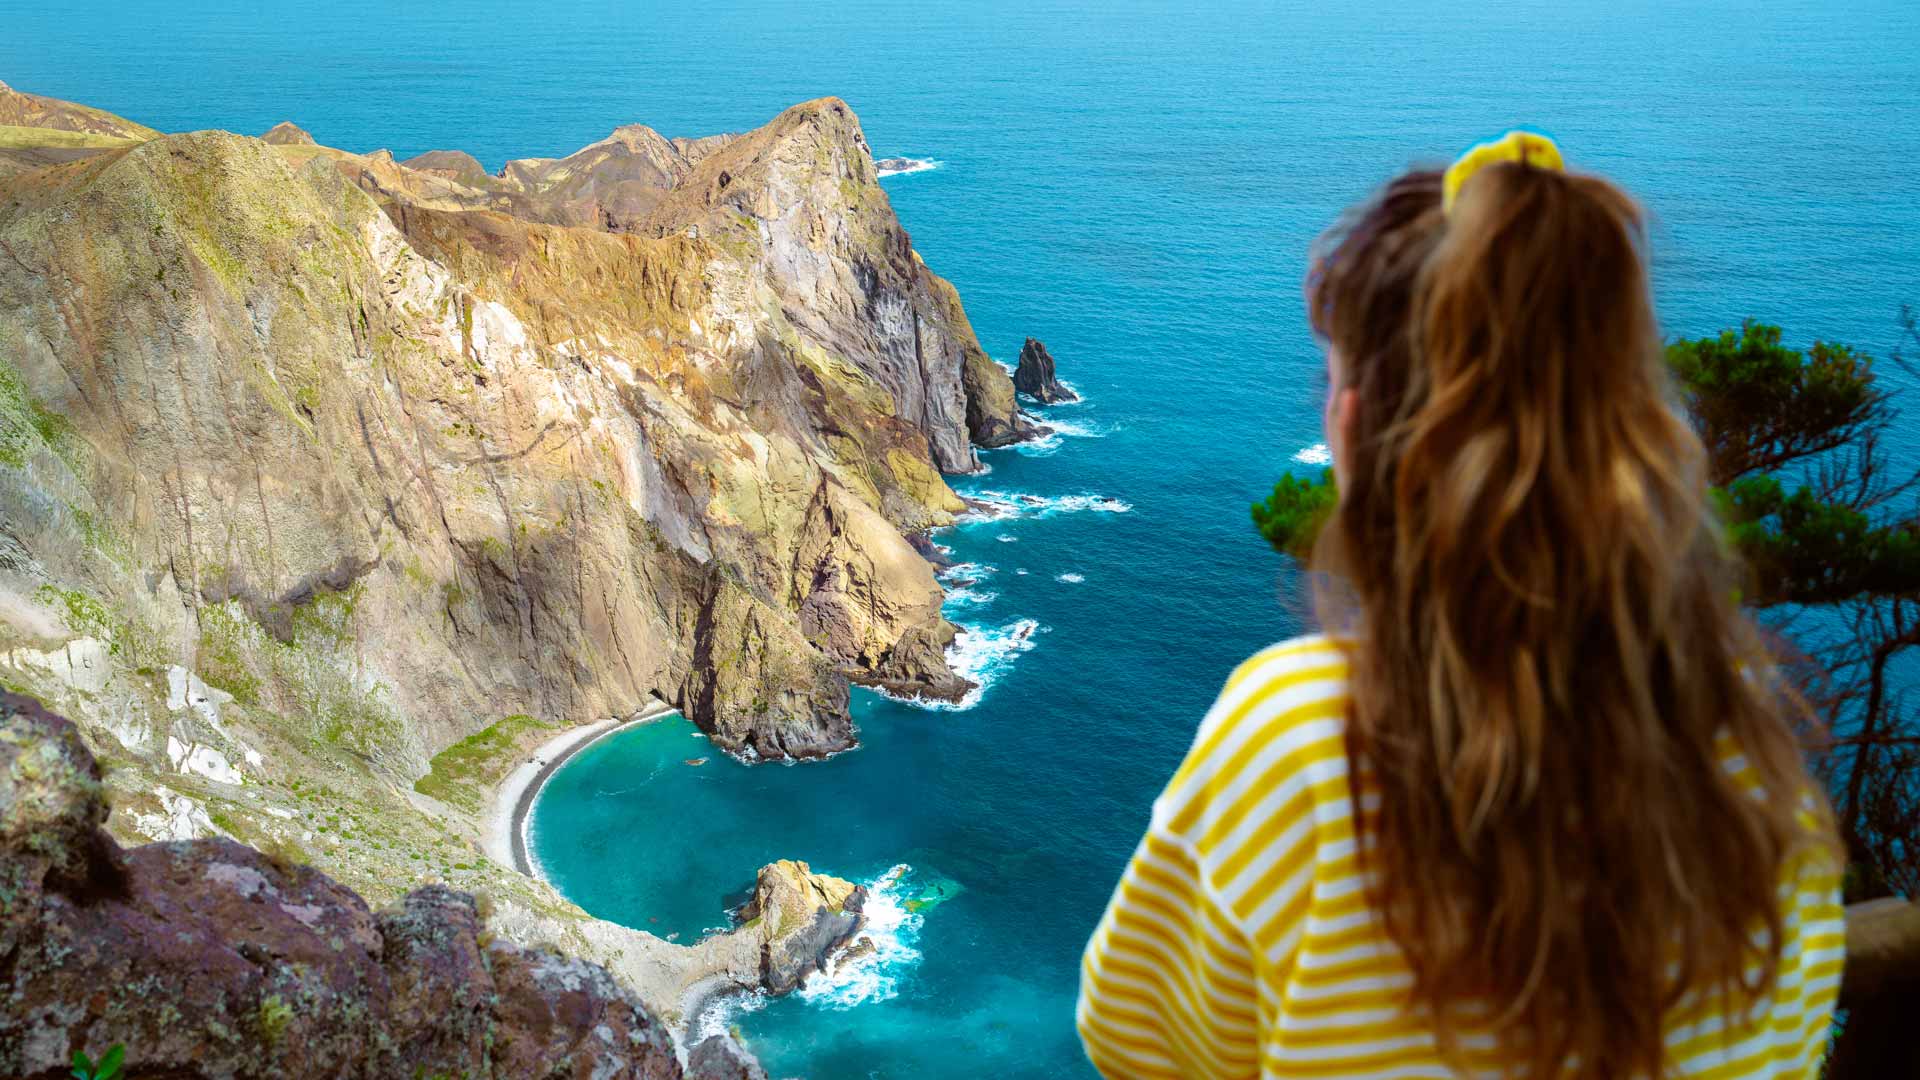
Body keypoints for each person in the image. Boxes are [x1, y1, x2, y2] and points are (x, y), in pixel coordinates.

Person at [1077, 132, 1845, 1079]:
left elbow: (1134, 1041)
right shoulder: (1756, 751)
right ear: (1636, 428)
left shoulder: (1305, 737)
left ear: (1353, 426)